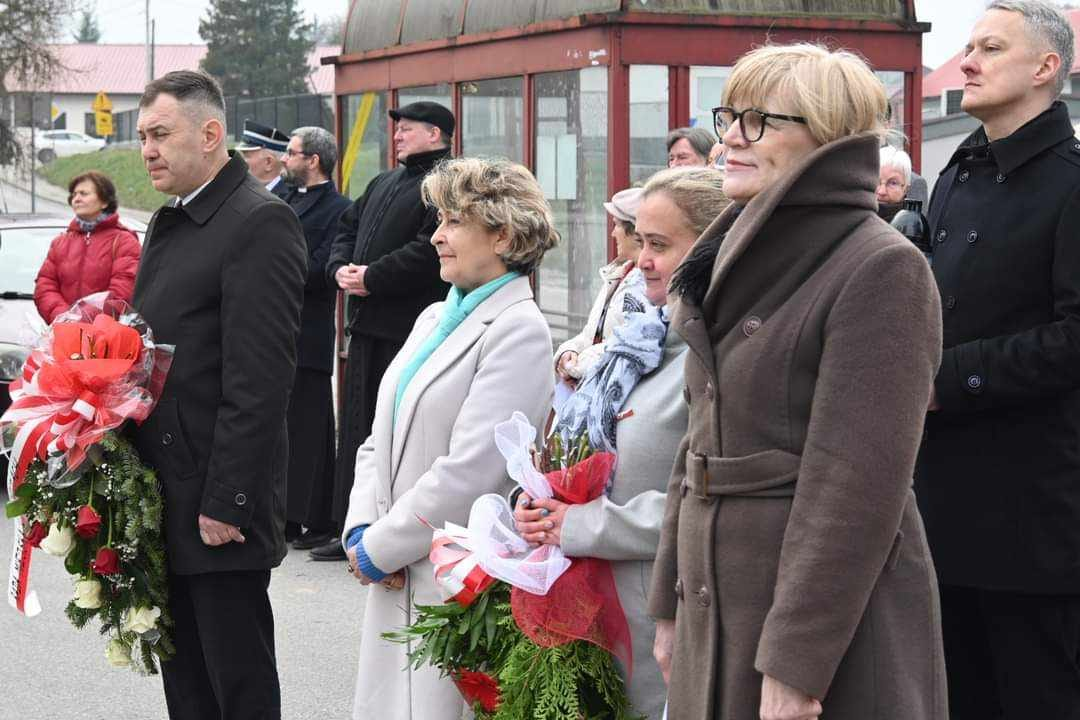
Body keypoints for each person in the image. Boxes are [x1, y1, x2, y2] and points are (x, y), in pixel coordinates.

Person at [648, 43, 946, 720]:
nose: (730, 137)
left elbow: (857, 487)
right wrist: (667, 603)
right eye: (730, 115)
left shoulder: (881, 268)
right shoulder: (728, 253)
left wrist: (797, 666)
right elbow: (696, 441)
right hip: (717, 600)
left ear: (825, 138)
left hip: (819, 627)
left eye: (760, 120)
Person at [341, 157, 557, 720]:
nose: (436, 235)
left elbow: (473, 470)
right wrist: (361, 527)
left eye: (453, 221)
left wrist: (381, 546)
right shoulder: (434, 315)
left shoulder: (519, 330)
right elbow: (377, 436)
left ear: (503, 233)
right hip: (395, 561)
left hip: (449, 578)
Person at [913, 3, 1080, 718]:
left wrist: (945, 380)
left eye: (990, 46)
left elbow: (1075, 339)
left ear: (1046, 69)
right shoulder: (956, 175)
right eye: (968, 45)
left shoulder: (1073, 184)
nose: (969, 60)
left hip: (1032, 523)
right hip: (938, 506)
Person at [515, 166, 727, 720]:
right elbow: (585, 457)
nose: (640, 261)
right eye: (640, 241)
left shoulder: (716, 358)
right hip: (600, 610)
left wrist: (579, 525)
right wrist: (541, 504)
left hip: (666, 622)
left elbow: (717, 500)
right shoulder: (639, 343)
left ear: (712, 249)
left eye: (659, 244)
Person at [130, 70, 306, 720]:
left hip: (216, 504)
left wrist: (228, 500)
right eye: (142, 135)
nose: (146, 149)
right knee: (188, 687)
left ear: (209, 135)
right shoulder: (172, 220)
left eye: (159, 133)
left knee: (237, 685)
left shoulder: (260, 223)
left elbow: (259, 380)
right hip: (166, 488)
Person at [311, 101, 454, 562]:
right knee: (357, 427)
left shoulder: (445, 185)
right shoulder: (385, 181)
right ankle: (348, 523)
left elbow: (426, 253)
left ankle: (388, 525)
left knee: (395, 430)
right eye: (397, 131)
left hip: (408, 326)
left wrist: (372, 277)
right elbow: (346, 229)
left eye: (407, 130)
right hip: (366, 325)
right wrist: (340, 270)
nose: (397, 137)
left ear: (435, 134)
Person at [278, 126, 351, 549]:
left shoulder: (338, 209)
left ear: (314, 161)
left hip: (308, 332)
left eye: (292, 152)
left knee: (308, 430)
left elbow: (323, 269)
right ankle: (281, 512)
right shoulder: (284, 201)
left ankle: (308, 517)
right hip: (276, 330)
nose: (285, 159)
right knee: (281, 427)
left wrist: (276, 270)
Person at [554, 186, 644, 385]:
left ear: (635, 231)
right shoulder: (618, 274)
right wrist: (570, 351)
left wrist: (577, 367)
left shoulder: (648, 284)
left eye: (617, 225)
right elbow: (592, 333)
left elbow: (628, 345)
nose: (613, 233)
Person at [33, 171, 140, 323]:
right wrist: (63, 317)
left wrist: (84, 319)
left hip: (105, 336)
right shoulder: (60, 242)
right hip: (64, 333)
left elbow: (123, 290)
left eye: (84, 193)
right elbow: (45, 285)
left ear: (104, 202)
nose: (76, 198)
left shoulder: (124, 241)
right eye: (74, 194)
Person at [236, 119, 292, 199]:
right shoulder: (245, 191)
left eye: (246, 156)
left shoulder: (288, 198)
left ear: (268, 162)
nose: (241, 161)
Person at [876, 145, 912, 221]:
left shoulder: (912, 227)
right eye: (876, 181)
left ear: (905, 188)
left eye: (893, 183)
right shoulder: (852, 219)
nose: (882, 191)